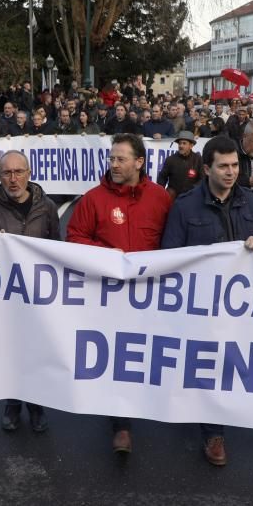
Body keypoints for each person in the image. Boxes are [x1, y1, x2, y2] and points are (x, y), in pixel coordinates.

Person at [159, 135, 253, 466]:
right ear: (206, 168)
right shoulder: (185, 206)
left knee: (236, 363)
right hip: (202, 305)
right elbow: (171, 256)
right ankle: (213, 433)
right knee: (208, 366)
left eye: (235, 165)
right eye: (223, 166)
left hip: (242, 305)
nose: (231, 172)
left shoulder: (250, 201)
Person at [66, 133, 172, 454]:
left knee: (149, 353)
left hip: (151, 295)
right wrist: (108, 255)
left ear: (139, 163)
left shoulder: (161, 199)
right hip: (109, 295)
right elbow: (75, 238)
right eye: (111, 158)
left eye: (120, 159)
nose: (113, 164)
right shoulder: (93, 199)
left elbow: (176, 243)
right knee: (118, 357)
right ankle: (121, 424)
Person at [0, 151, 59, 433]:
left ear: (29, 173)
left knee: (36, 351)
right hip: (5, 295)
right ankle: (12, 403)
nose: (13, 179)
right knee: (11, 352)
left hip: (38, 294)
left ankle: (36, 404)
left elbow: (56, 248)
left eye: (18, 172)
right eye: (7, 173)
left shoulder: (46, 207)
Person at [156, 130, 204, 199]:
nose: (181, 146)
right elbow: (162, 178)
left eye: (184, 143)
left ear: (191, 145)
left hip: (191, 197)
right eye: (179, 143)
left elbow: (202, 179)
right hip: (173, 198)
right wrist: (163, 192)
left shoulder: (198, 159)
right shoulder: (170, 159)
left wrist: (192, 191)